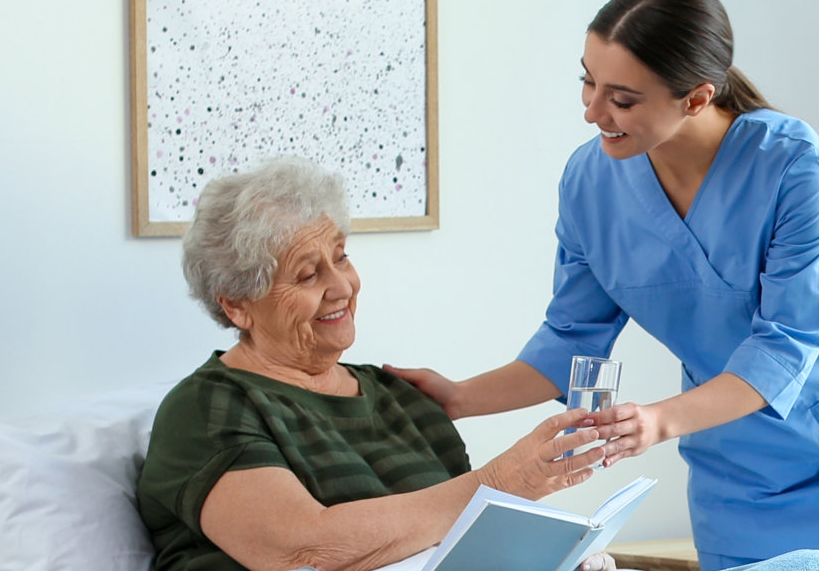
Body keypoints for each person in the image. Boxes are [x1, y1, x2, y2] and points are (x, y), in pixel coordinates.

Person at [382, 0, 819, 570]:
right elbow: (571, 342)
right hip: (732, 467)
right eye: (587, 80)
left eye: (622, 98)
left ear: (696, 97)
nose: (592, 111)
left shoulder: (793, 166)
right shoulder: (590, 183)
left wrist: (657, 422)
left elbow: (784, 349)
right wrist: (458, 398)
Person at [136, 157, 619, 571]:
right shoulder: (207, 407)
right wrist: (498, 485)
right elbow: (307, 549)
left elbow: (460, 547)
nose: (342, 287)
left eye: (341, 257)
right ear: (237, 305)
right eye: (307, 274)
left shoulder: (402, 399)